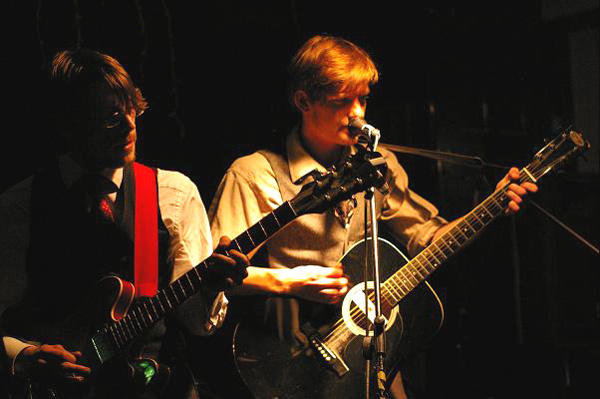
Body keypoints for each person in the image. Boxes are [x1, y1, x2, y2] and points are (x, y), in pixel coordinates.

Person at [207, 35, 538, 398]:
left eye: (362, 98)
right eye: (342, 101)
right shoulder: (254, 174)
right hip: (292, 361)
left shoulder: (378, 168)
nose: (358, 113)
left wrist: (490, 207)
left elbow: (429, 236)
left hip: (364, 359)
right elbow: (214, 277)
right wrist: (289, 282)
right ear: (302, 100)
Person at [0, 48, 249, 399]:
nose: (130, 125)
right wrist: (24, 357)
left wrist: (209, 288)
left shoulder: (173, 193)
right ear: (68, 124)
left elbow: (198, 323)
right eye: (110, 116)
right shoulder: (17, 205)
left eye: (131, 108)